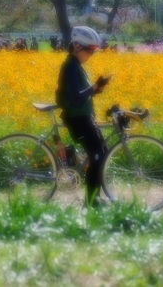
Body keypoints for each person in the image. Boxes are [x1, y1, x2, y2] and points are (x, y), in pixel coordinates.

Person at [56, 26, 111, 207]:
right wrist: (94, 87)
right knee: (98, 156)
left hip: (82, 116)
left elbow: (82, 95)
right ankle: (91, 202)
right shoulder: (71, 66)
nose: (92, 54)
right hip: (78, 119)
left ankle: (94, 199)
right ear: (78, 46)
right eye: (90, 49)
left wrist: (97, 89)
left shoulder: (76, 66)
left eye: (94, 51)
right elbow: (77, 97)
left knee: (101, 154)